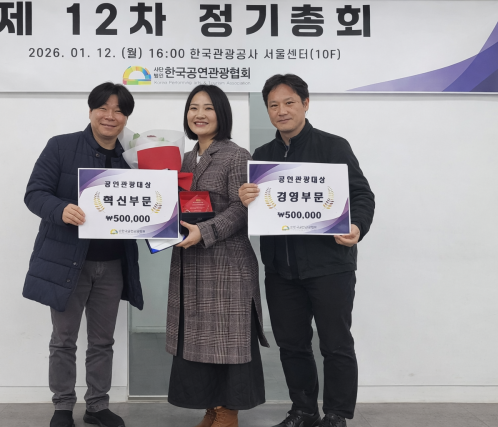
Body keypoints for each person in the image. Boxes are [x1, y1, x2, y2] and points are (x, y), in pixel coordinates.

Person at [239, 74, 375, 427]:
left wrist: (357, 226)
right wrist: (247, 199)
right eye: (273, 105)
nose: (281, 111)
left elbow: (361, 194)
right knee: (292, 344)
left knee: (335, 344)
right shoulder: (263, 157)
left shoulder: (333, 147)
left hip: (330, 265)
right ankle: (304, 411)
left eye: (289, 103)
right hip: (281, 270)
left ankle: (337, 414)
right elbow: (263, 211)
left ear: (305, 104)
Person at [23, 82, 142, 427]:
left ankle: (97, 406)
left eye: (119, 110)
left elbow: (148, 202)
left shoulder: (132, 157)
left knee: (103, 341)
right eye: (103, 108)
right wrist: (60, 209)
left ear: (126, 117)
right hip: (67, 262)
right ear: (90, 111)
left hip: (113, 263)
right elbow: (35, 193)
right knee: (63, 340)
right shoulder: (61, 146)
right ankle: (62, 406)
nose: (110, 116)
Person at [166, 85, 269, 427]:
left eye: (208, 108)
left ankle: (228, 412)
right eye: (193, 107)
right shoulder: (184, 159)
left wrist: (205, 231)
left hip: (226, 264)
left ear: (221, 114)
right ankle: (212, 408)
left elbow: (243, 208)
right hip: (190, 263)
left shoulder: (237, 155)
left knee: (228, 341)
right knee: (198, 342)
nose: (199, 114)